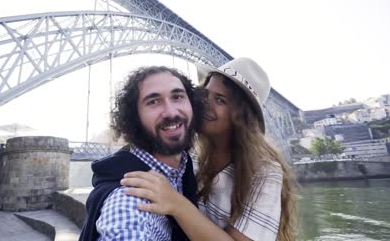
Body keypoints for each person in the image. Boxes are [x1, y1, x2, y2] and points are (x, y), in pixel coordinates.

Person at [121, 58, 297, 241]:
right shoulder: (188, 155)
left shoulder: (265, 171)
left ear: (241, 116)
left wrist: (176, 203)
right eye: (205, 94)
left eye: (220, 100)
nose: (205, 104)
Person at [78, 66, 205, 241]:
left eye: (178, 97)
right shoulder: (130, 198)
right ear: (134, 116)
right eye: (153, 101)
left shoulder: (184, 167)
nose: (171, 112)